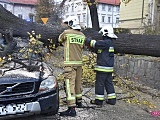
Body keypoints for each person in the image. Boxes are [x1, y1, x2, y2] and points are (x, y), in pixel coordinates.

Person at [58, 16, 86, 117]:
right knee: (78, 84)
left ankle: (71, 108)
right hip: (79, 63)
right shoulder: (82, 35)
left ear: (71, 23)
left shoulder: (67, 33)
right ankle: (79, 102)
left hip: (69, 63)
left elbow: (59, 39)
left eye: (68, 23)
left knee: (70, 85)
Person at [85, 25, 117, 106]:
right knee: (108, 83)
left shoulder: (105, 42)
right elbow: (101, 51)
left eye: (102, 34)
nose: (101, 36)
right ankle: (112, 99)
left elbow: (95, 43)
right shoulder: (110, 43)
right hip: (108, 68)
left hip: (103, 68)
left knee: (100, 83)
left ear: (105, 33)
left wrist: (86, 40)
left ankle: (99, 101)